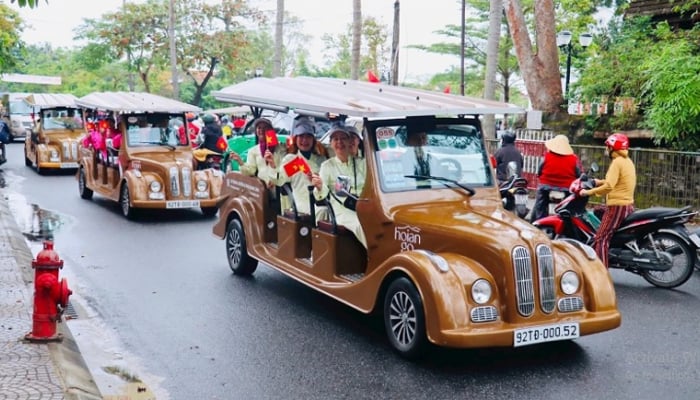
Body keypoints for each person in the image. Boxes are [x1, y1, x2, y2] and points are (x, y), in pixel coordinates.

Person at [579, 133, 636, 268]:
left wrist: (588, 192)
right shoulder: (626, 161)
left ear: (612, 148)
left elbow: (609, 186)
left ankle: (601, 271)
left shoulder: (617, 163)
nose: (606, 150)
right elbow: (614, 182)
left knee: (601, 239)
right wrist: (598, 182)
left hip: (617, 206)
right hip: (626, 204)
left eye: (607, 147)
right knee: (598, 210)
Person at [311, 124, 367, 248]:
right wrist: (319, 186)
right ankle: (376, 258)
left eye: (343, 138)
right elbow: (322, 194)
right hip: (342, 211)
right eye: (335, 139)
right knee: (360, 225)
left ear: (349, 142)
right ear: (331, 144)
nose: (339, 142)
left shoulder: (361, 163)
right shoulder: (327, 166)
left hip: (364, 206)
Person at [279, 118, 327, 216]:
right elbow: (281, 180)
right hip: (301, 202)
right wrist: (299, 166)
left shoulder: (321, 160)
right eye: (301, 136)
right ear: (296, 139)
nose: (304, 140)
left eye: (308, 136)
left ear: (313, 139)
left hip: (322, 198)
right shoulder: (290, 159)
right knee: (323, 211)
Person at [530, 134, 581, 222]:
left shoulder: (547, 156)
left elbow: (540, 169)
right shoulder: (574, 158)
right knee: (571, 204)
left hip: (546, 185)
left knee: (540, 203)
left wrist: (539, 175)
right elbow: (578, 173)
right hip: (567, 187)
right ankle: (567, 220)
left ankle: (539, 221)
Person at [230, 117, 286, 187]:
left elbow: (286, 169)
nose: (261, 130)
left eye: (265, 128)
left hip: (280, 189)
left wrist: (275, 178)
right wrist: (240, 161)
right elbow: (250, 171)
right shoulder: (253, 151)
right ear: (256, 131)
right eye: (259, 128)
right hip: (262, 190)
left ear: (270, 130)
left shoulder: (280, 148)